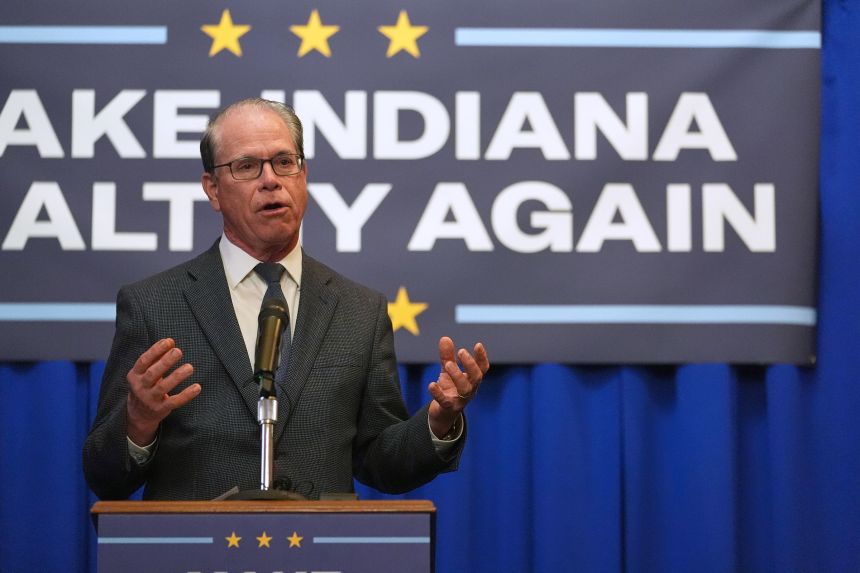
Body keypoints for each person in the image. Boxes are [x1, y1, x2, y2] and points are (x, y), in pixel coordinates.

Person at [82, 98, 489, 501]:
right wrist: (138, 424)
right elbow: (104, 476)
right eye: (246, 166)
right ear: (212, 188)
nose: (270, 180)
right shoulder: (154, 305)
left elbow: (381, 463)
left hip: (319, 557)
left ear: (303, 175)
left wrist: (439, 422)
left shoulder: (358, 311)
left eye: (283, 162)